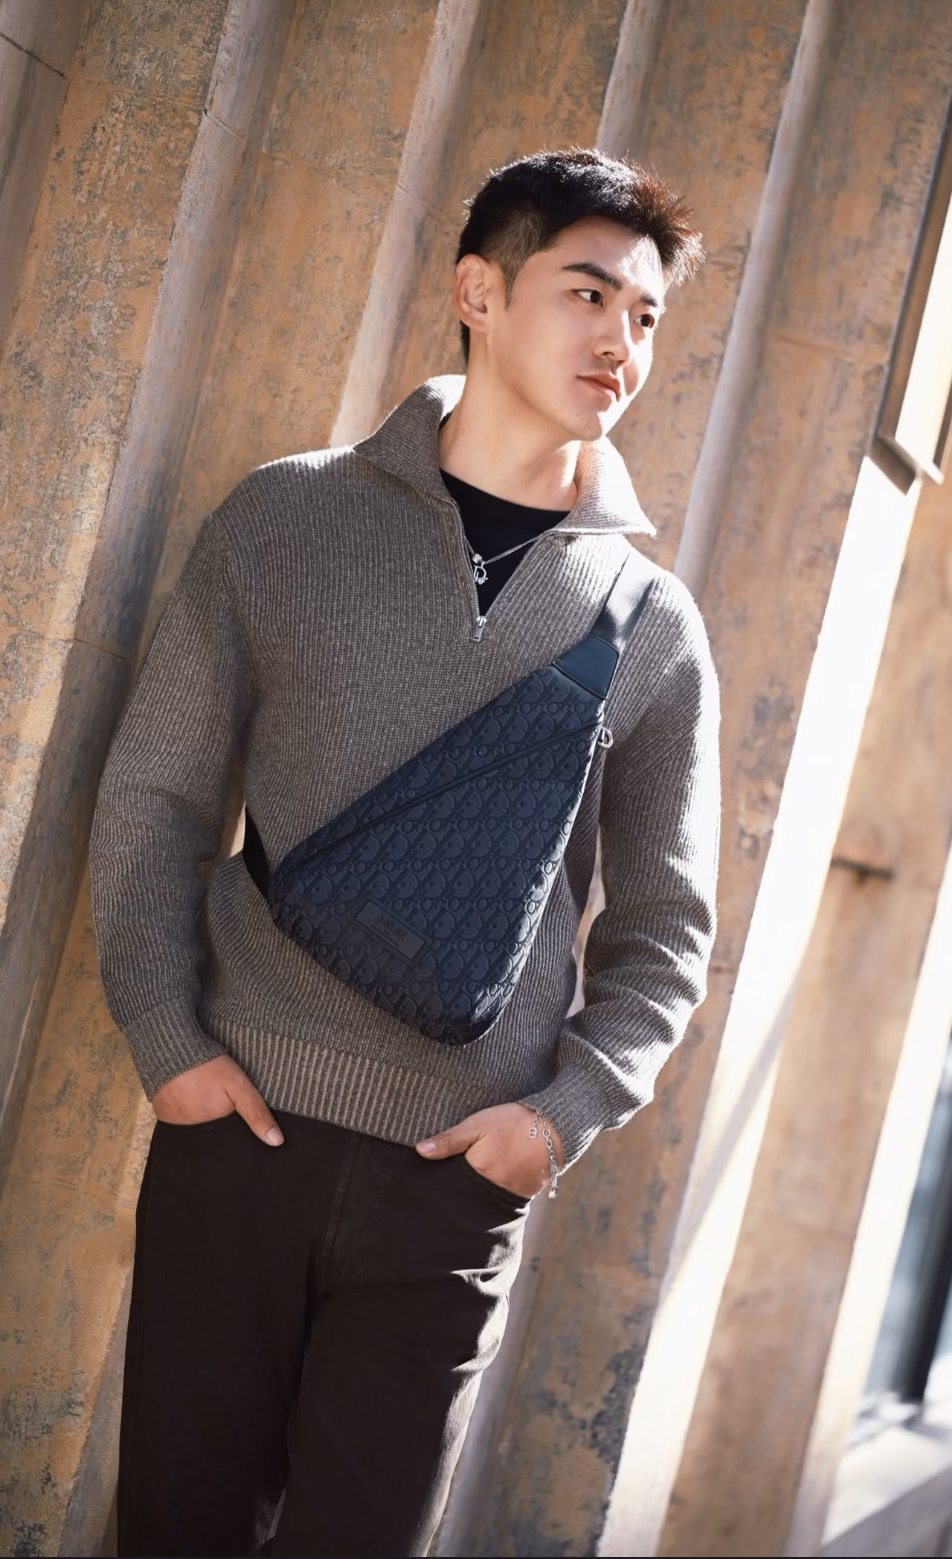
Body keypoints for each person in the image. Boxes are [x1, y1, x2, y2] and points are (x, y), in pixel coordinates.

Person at [90, 146, 721, 1558]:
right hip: (236, 1133)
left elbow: (665, 927)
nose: (621, 342)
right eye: (587, 295)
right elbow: (156, 794)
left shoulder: (653, 624)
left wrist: (557, 1120)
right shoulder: (286, 518)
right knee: (176, 1531)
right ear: (477, 293)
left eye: (645, 316)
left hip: (453, 1183)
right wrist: (168, 1046)